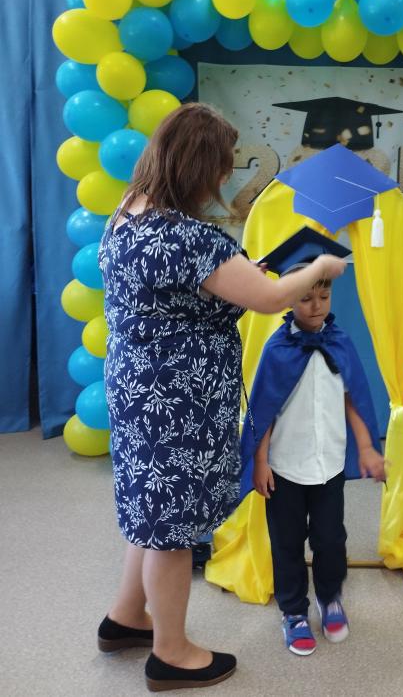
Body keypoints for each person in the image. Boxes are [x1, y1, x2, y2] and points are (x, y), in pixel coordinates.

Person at [97, 103, 347, 691]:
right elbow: (270, 299)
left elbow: (183, 291)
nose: (226, 177)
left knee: (151, 511)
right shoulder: (191, 237)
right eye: (223, 165)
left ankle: (126, 617)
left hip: (136, 387)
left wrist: (243, 272)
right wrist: (320, 266)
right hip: (179, 402)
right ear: (201, 168)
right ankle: (171, 653)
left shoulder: (126, 214)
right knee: (174, 527)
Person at [242, 262, 386, 656]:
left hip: (328, 466)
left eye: (324, 296)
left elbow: (354, 398)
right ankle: (293, 611)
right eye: (305, 298)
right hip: (285, 468)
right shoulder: (277, 349)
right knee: (286, 542)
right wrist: (260, 462)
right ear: (288, 298)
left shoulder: (340, 342)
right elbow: (263, 411)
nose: (316, 305)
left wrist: (367, 448)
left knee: (331, 538)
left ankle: (330, 597)